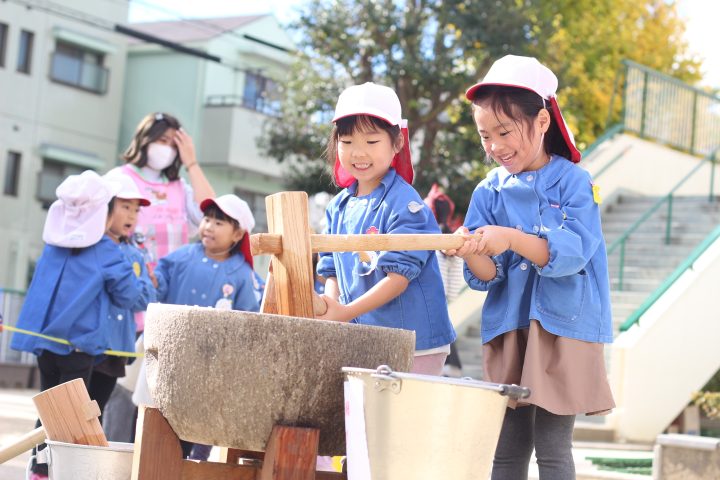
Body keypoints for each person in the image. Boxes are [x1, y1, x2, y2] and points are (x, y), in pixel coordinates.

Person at [447, 55, 614, 480]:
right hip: (510, 327)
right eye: (485, 136)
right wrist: (470, 251)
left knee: (553, 450)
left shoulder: (576, 181)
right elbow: (489, 276)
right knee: (506, 450)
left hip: (564, 330)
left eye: (504, 132)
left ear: (542, 121)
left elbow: (574, 252)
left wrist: (510, 238)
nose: (495, 147)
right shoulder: (488, 191)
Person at [10, 171, 145, 479]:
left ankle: (40, 470)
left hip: (43, 343)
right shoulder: (106, 250)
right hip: (80, 347)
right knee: (74, 417)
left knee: (50, 411)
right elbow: (129, 296)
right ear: (104, 212)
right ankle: (63, 471)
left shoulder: (53, 246)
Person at [316, 82, 456, 376]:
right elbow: (331, 270)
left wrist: (343, 313)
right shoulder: (337, 207)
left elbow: (398, 278)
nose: (358, 152)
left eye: (371, 141)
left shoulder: (405, 203)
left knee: (404, 419)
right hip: (364, 335)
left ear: (396, 144)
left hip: (414, 340)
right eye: (347, 141)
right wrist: (331, 305)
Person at [153, 194, 259, 461]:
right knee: (162, 419)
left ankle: (194, 466)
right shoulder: (181, 258)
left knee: (201, 423)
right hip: (171, 357)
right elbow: (159, 283)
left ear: (237, 234)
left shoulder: (242, 274)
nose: (209, 226)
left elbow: (248, 317)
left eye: (219, 222)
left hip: (212, 365)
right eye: (207, 219)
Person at [88, 174, 156, 420]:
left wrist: (127, 285)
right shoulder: (87, 245)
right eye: (125, 207)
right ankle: (41, 459)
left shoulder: (135, 254)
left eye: (136, 210)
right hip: (83, 344)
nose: (131, 216)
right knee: (61, 412)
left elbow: (145, 297)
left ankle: (80, 459)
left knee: (94, 414)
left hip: (115, 347)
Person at [423, 183, 464, 377]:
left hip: (430, 293)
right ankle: (449, 368)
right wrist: (451, 294)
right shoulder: (449, 234)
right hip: (443, 293)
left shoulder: (430, 235)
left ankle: (447, 368)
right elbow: (455, 271)